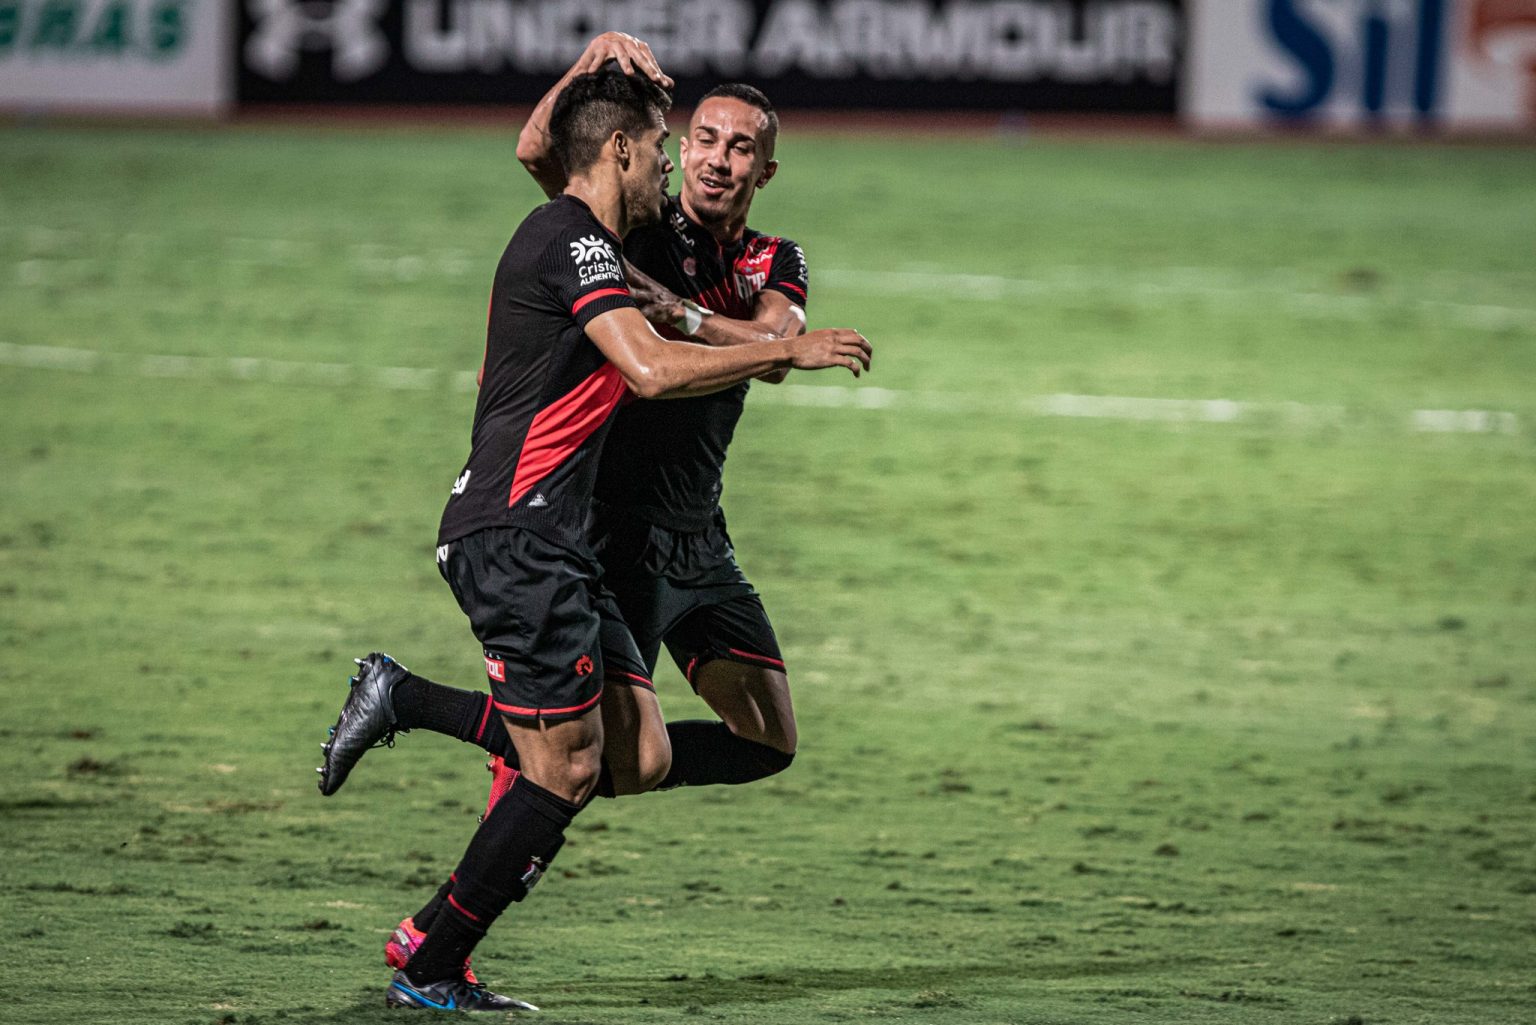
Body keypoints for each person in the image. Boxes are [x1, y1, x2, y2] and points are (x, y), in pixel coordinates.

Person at [317, 65, 871, 1012]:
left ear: (766, 169)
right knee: (579, 763)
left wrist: (688, 312)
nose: (710, 159)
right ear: (662, 149)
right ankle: (434, 946)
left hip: (696, 535)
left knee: (738, 743)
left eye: (741, 147)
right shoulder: (619, 229)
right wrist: (586, 63)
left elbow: (764, 341)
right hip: (591, 530)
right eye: (693, 140)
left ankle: (413, 710)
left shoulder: (770, 256)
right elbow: (550, 155)